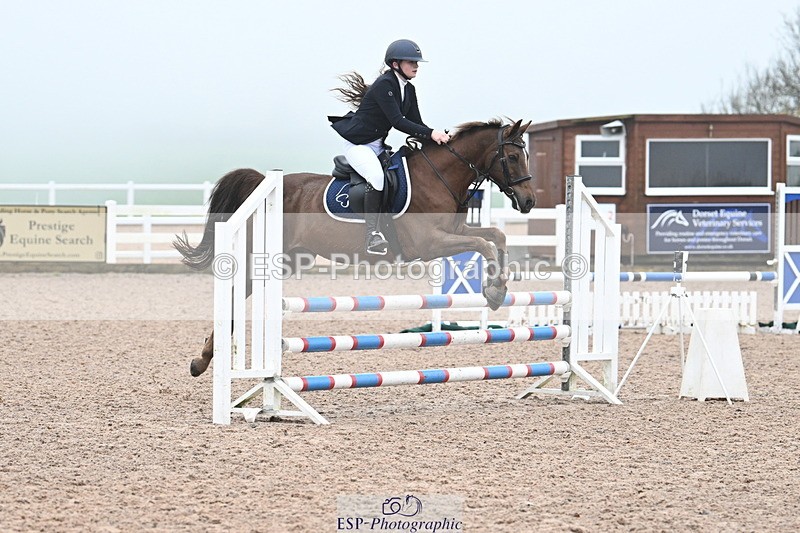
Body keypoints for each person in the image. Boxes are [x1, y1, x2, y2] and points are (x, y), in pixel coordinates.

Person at [330, 39, 451, 255]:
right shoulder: (384, 84)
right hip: (358, 145)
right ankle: (371, 236)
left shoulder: (409, 89)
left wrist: (437, 141)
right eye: (411, 62)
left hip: (377, 146)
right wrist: (431, 134)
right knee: (376, 177)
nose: (416, 66)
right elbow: (398, 121)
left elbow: (417, 124)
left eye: (417, 62)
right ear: (395, 64)